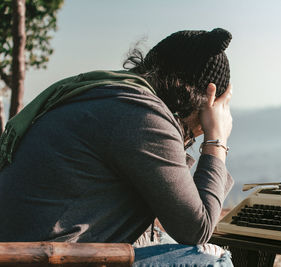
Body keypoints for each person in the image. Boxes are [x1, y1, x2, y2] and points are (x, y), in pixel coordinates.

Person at [0, 27, 234, 251]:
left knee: (162, 240)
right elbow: (196, 229)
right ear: (204, 100)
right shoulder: (143, 116)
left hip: (22, 249)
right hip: (42, 257)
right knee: (211, 258)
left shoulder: (108, 94)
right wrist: (217, 140)